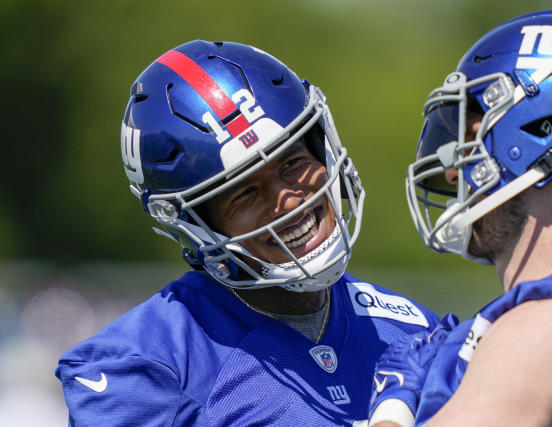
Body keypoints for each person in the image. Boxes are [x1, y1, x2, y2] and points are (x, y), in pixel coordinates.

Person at [54, 40, 441, 426]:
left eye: (292, 162)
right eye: (245, 193)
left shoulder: (413, 332)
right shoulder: (148, 367)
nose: (289, 201)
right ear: (196, 224)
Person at [369, 9, 552, 427]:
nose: (453, 172)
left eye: (475, 137)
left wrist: (392, 408)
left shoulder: (547, 329)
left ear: (539, 135)